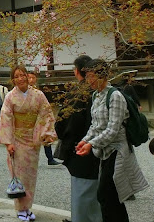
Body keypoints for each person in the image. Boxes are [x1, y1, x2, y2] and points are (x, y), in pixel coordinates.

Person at [76, 59, 148, 222]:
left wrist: (90, 144)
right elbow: (96, 125)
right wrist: (85, 140)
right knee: (111, 197)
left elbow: (112, 130)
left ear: (103, 76)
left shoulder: (115, 96)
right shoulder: (96, 95)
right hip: (105, 151)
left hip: (118, 151)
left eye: (92, 76)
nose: (89, 80)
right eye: (87, 76)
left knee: (106, 195)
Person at [0, 65, 56, 221]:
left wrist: (46, 133)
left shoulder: (38, 95)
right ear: (13, 79)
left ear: (27, 76)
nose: (20, 78)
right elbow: (6, 119)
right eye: (17, 76)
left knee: (30, 175)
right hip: (17, 140)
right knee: (20, 175)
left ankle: (27, 207)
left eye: (22, 75)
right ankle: (21, 208)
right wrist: (8, 142)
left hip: (33, 139)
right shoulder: (10, 97)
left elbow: (46, 114)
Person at [55, 55, 101, 222]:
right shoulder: (99, 92)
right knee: (94, 193)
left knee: (83, 192)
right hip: (98, 146)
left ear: (77, 71)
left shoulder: (77, 94)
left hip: (80, 148)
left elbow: (64, 122)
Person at [27, 71, 61, 166]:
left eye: (33, 78)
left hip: (40, 118)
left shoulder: (38, 92)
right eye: (29, 78)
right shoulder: (24, 92)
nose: (31, 80)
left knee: (46, 137)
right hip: (29, 119)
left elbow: (44, 105)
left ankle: (50, 159)